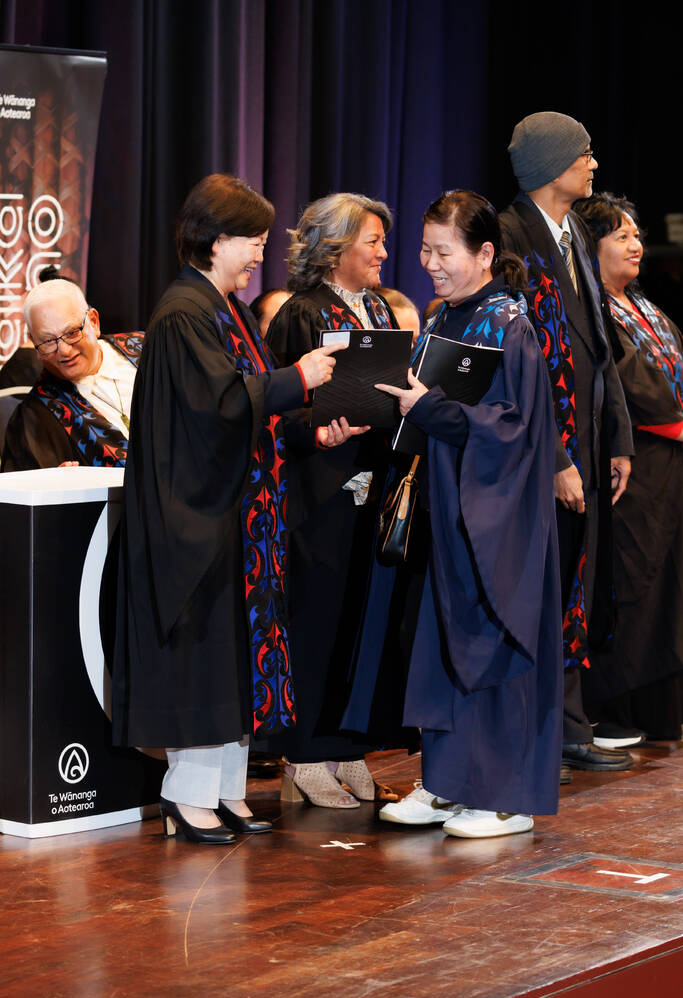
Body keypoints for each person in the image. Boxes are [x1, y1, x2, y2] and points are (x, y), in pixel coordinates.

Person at [112, 174, 345, 844]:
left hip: (238, 516)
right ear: (216, 240)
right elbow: (217, 405)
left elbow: (254, 407)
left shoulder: (225, 308)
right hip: (198, 517)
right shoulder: (184, 311)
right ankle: (184, 797)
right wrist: (299, 376)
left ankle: (223, 791)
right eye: (253, 242)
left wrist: (309, 428)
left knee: (234, 659)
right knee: (203, 658)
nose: (259, 257)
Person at [350, 190, 563, 839]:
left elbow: (514, 430)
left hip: (497, 520)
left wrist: (429, 409)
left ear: (485, 253)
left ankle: (504, 795)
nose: (429, 263)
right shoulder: (447, 315)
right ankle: (446, 782)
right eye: (424, 249)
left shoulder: (510, 326)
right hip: (448, 510)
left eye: (443, 251)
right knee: (442, 645)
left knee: (491, 643)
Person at [499, 112, 637, 779]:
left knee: (574, 585)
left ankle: (567, 724)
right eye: (583, 153)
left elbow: (597, 342)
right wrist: (554, 456)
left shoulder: (575, 231)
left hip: (585, 434)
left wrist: (616, 437)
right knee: (536, 586)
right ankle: (528, 729)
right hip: (532, 448)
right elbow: (512, 359)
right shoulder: (507, 235)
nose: (593, 164)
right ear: (551, 162)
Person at [265, 192, 402, 808]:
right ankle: (304, 755)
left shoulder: (374, 306)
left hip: (369, 484)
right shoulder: (300, 313)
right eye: (372, 240)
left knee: (358, 616)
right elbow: (277, 411)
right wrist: (318, 433)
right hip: (317, 493)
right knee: (316, 620)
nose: (382, 251)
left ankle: (347, 746)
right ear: (336, 246)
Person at [575, 192, 683, 742]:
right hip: (634, 465)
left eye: (637, 234)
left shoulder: (643, 304)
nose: (637, 244)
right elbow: (635, 390)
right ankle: (612, 709)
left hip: (670, 465)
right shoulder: (594, 309)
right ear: (590, 247)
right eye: (622, 236)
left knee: (668, 584)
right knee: (633, 583)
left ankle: (658, 711)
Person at [1, 278, 142, 471]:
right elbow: (24, 493)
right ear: (34, 343)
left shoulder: (148, 349)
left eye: (72, 333)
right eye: (48, 341)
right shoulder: (33, 421)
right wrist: (54, 490)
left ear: (94, 322)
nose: (64, 351)